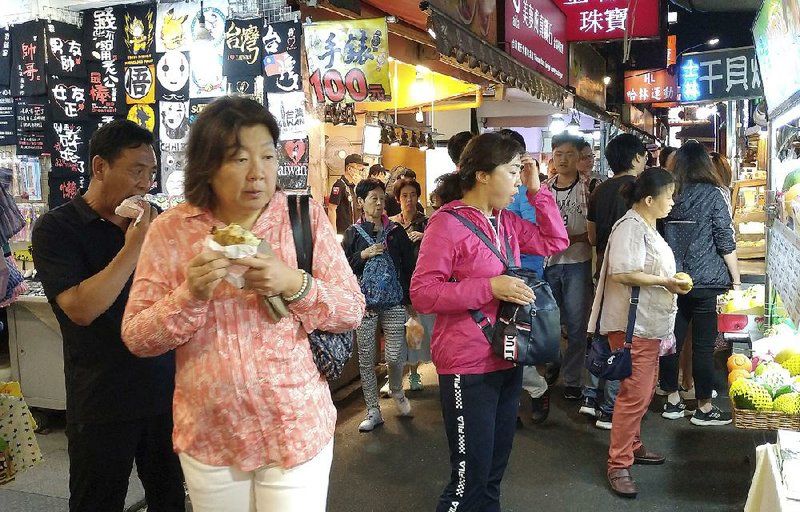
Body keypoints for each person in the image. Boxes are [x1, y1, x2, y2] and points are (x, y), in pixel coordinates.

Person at [121, 96, 365, 511]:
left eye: (268, 156)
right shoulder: (171, 231)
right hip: (212, 434)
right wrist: (190, 295)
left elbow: (351, 309)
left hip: (294, 427)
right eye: (239, 159)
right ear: (208, 165)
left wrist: (294, 283)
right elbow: (137, 336)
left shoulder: (302, 217)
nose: (258, 173)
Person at [31, 120, 185, 512]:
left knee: (170, 500)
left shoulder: (155, 220)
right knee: (97, 502)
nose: (145, 183)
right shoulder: (57, 228)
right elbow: (81, 309)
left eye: (151, 172)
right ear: (100, 167)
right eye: (136, 170)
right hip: (101, 398)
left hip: (165, 391)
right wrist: (134, 247)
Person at [411, 132, 569, 512]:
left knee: (493, 472)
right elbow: (424, 293)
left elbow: (555, 241)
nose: (518, 180)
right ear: (482, 175)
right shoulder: (446, 224)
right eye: (513, 171)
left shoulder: (505, 222)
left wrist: (538, 192)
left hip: (507, 354)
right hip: (468, 364)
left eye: (520, 172)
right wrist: (489, 287)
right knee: (468, 480)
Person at [592, 168, 690, 498]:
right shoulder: (630, 228)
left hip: (648, 323)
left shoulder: (645, 224)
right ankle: (618, 464)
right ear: (649, 200)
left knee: (644, 392)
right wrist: (666, 281)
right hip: (633, 326)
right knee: (634, 395)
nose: (672, 203)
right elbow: (622, 273)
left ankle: (632, 446)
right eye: (669, 197)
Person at [659, 141, 741, 426]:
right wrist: (737, 278)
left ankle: (671, 401)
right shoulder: (715, 194)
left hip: (673, 279)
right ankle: (704, 407)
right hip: (707, 281)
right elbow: (725, 239)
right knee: (703, 347)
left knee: (671, 342)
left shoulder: (668, 193)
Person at [582, 133, 648, 428]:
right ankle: (609, 408)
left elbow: (593, 235)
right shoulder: (639, 190)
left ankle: (588, 397)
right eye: (644, 155)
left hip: (603, 270)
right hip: (629, 273)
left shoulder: (598, 190)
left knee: (600, 332)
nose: (645, 160)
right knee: (621, 338)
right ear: (635, 158)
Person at [343, 178, 416, 432]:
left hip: (394, 302)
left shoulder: (396, 232)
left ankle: (397, 389)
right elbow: (342, 268)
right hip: (364, 305)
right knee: (366, 359)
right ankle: (373, 410)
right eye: (373, 198)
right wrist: (362, 255)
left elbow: (409, 266)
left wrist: (409, 302)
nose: (379, 203)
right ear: (361, 202)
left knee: (395, 356)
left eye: (382, 198)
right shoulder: (353, 233)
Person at [543, 134, 600, 400]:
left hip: (578, 263)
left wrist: (572, 239)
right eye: (558, 154)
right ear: (552, 157)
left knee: (577, 324)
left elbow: (594, 230)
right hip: (549, 263)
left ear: (579, 158)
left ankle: (573, 380)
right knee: (551, 321)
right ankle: (553, 360)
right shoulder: (544, 189)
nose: (563, 159)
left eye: (569, 154)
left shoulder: (590, 186)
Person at [501, 128, 551, 424]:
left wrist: (535, 192)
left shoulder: (526, 191)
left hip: (527, 275)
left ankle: (536, 389)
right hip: (500, 277)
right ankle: (514, 404)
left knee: (518, 340)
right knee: (503, 343)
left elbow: (548, 238)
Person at [390, 177, 433, 390]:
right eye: (404, 196)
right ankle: (395, 377)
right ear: (398, 199)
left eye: (413, 195)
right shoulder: (391, 223)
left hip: (419, 282)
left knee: (416, 329)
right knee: (396, 332)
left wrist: (425, 237)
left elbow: (437, 247)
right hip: (396, 284)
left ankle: (414, 373)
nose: (409, 199)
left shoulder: (426, 222)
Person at [328, 153, 366, 234]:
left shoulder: (354, 186)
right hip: (343, 232)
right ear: (349, 169)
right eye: (359, 169)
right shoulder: (339, 185)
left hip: (355, 231)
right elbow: (331, 209)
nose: (361, 173)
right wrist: (333, 231)